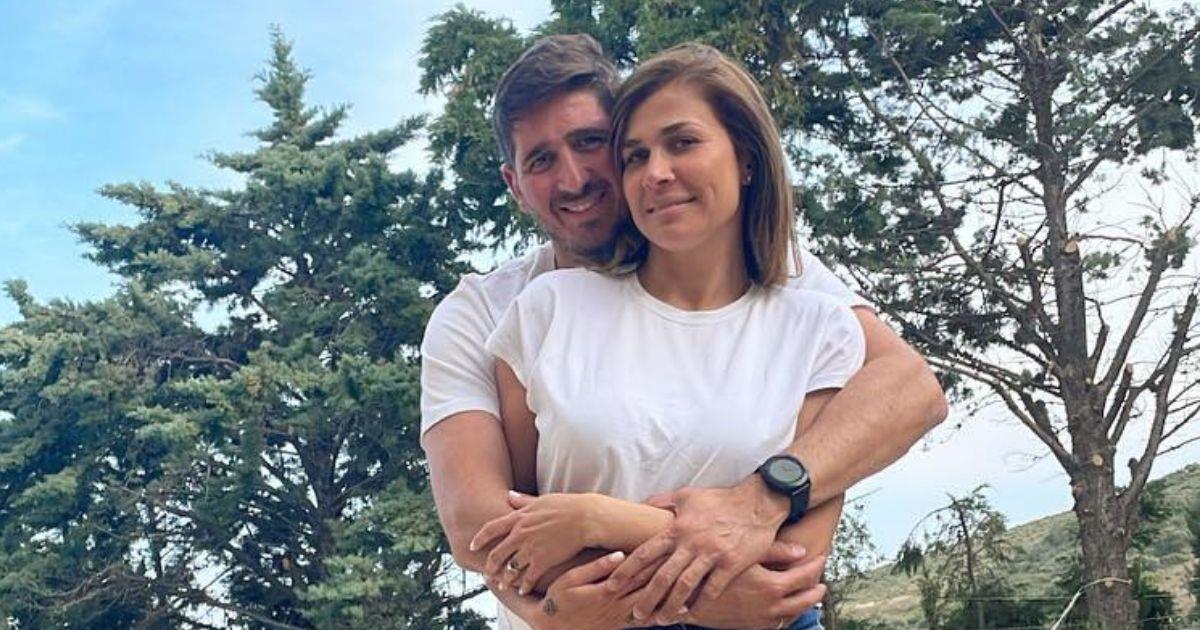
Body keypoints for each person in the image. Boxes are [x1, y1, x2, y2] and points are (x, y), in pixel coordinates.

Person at [419, 34, 947, 629]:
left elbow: (907, 390)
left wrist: (740, 504)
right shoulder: (505, 311)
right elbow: (482, 523)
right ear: (514, 184)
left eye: (590, 142)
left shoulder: (795, 293)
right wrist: (552, 612)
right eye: (540, 160)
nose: (574, 177)